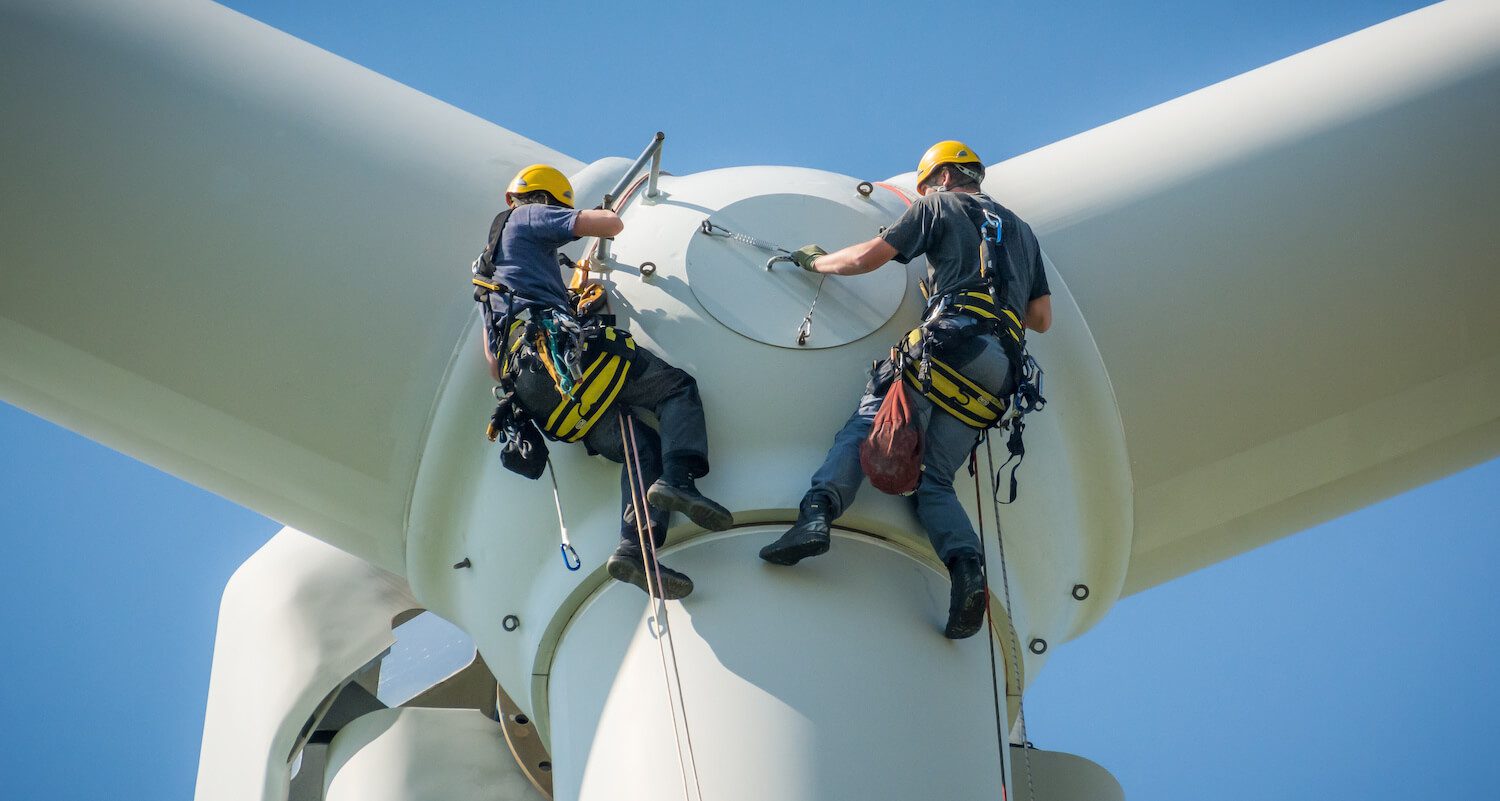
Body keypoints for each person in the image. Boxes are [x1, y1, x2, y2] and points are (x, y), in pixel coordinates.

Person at [758, 141, 1053, 638]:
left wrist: (816, 264)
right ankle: (967, 569)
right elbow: (1041, 319)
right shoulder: (1022, 233)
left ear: (939, 178)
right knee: (933, 480)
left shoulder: (938, 206)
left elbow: (869, 259)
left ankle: (816, 516)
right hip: (1000, 372)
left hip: (948, 343)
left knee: (868, 426)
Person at [477, 164, 733, 600]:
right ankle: (680, 480)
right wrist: (596, 214)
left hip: (536, 390)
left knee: (639, 445)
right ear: (545, 200)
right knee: (675, 389)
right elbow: (607, 224)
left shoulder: (487, 273)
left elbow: (492, 364)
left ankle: (635, 549)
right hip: (564, 357)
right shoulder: (527, 217)